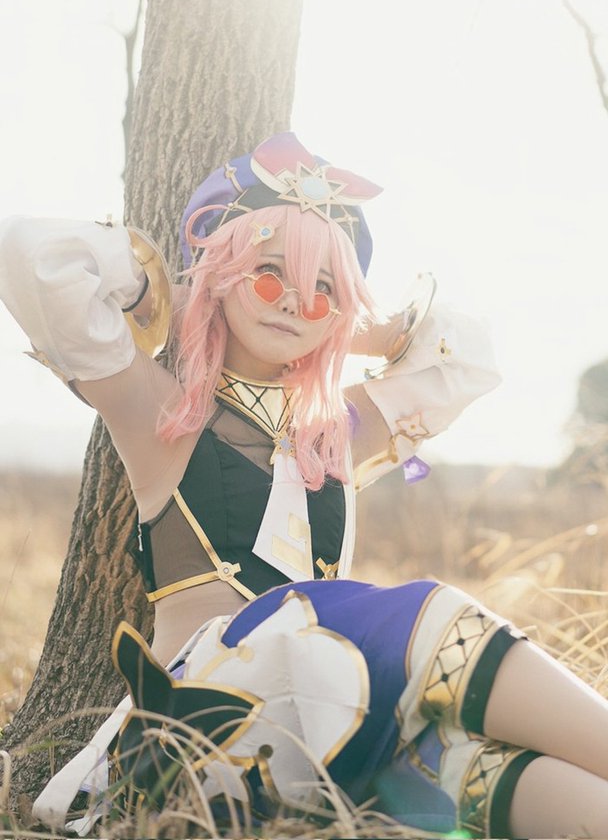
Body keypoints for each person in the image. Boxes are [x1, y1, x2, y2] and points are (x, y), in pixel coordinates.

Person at [2, 130, 608, 840]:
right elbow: (33, 258)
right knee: (419, 608)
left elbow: (467, 359)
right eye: (268, 274)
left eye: (323, 288)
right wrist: (175, 292)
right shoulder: (164, 414)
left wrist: (357, 329)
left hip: (337, 712)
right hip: (205, 721)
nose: (295, 302)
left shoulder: (338, 433)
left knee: (495, 773)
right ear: (223, 272)